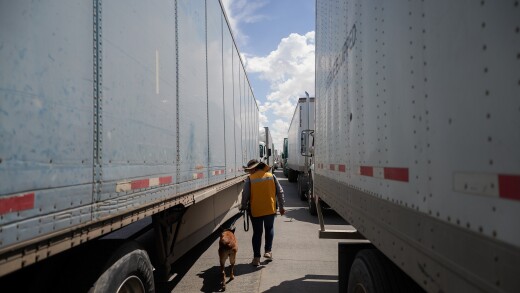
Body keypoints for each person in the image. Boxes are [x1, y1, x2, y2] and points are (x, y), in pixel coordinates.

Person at [240, 159, 285, 266]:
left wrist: (243, 206)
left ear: (254, 168)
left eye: (250, 170)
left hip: (256, 210)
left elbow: (245, 195)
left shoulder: (249, 179)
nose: (249, 172)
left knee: (257, 233)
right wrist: (282, 207)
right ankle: (268, 251)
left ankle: (256, 258)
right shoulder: (271, 176)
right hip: (270, 209)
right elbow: (280, 192)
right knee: (269, 228)